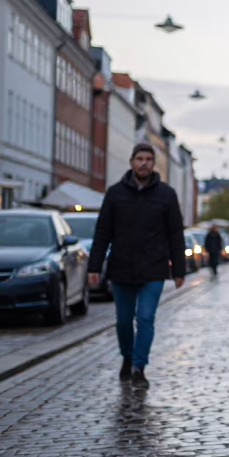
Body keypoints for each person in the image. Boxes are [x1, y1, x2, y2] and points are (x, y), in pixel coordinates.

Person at [88, 143, 186, 389]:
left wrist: (179, 270)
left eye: (148, 159)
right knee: (123, 321)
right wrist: (94, 266)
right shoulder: (115, 194)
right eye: (139, 159)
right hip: (121, 267)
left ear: (153, 164)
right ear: (131, 162)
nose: (144, 163)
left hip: (153, 268)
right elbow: (102, 233)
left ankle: (139, 367)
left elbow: (176, 234)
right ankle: (127, 357)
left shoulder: (166, 195)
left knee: (145, 318)